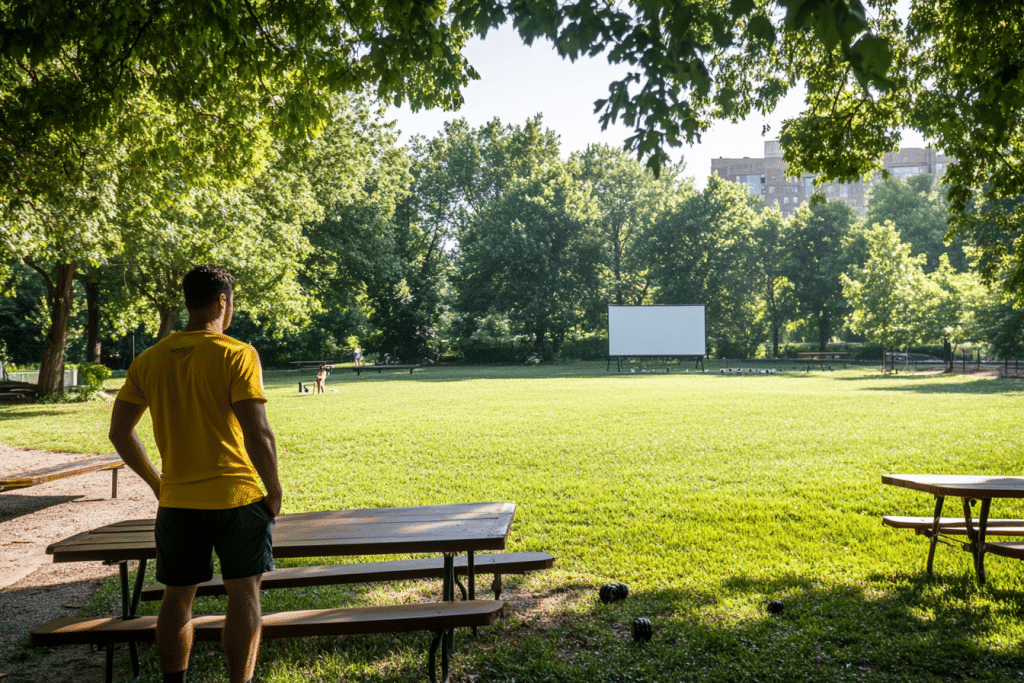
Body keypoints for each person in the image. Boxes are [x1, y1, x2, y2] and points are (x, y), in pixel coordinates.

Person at [108, 264, 282, 683]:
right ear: (223, 300)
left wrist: (158, 483)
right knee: (243, 594)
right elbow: (258, 432)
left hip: (178, 504)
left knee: (176, 598)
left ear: (186, 301)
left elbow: (119, 432)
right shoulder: (236, 353)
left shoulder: (148, 360)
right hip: (237, 499)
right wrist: (273, 489)